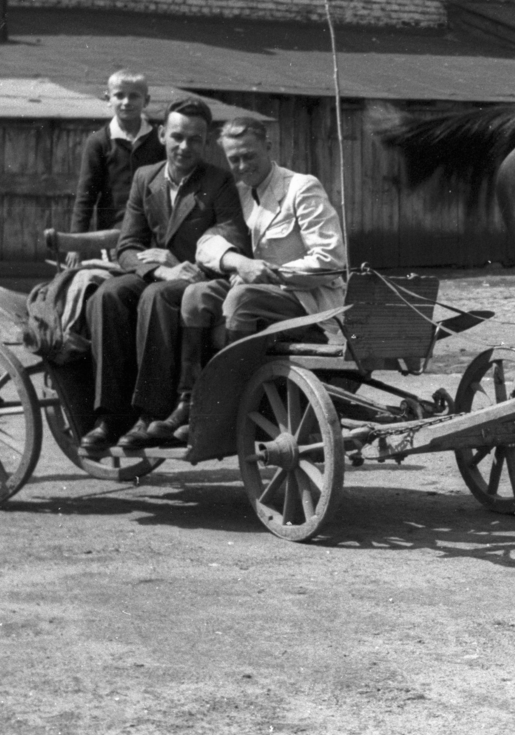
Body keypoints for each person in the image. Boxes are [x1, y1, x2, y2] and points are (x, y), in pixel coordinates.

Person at [135, 118, 346, 444]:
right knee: (195, 295)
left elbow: (330, 260)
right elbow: (206, 245)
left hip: (309, 304)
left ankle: (232, 408)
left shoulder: (301, 188)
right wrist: (238, 262)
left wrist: (268, 274)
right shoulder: (237, 195)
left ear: (268, 148)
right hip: (256, 296)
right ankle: (189, 401)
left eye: (250, 156)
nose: (243, 166)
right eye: (234, 160)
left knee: (240, 298)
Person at [79, 99, 249, 452]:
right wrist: (160, 268)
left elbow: (232, 238)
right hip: (159, 273)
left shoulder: (218, 182)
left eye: (195, 139)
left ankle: (149, 414)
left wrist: (182, 263)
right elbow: (128, 246)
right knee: (108, 294)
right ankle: (110, 415)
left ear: (206, 142)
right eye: (177, 137)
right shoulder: (146, 178)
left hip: (199, 278)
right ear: (161, 135)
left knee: (156, 296)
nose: (185, 147)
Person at [65, 69, 165, 266]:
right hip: (115, 235)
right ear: (108, 98)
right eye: (119, 95)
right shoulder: (99, 142)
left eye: (134, 96)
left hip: (156, 234)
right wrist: (76, 243)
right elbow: (86, 195)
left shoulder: (159, 141)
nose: (126, 102)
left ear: (146, 100)